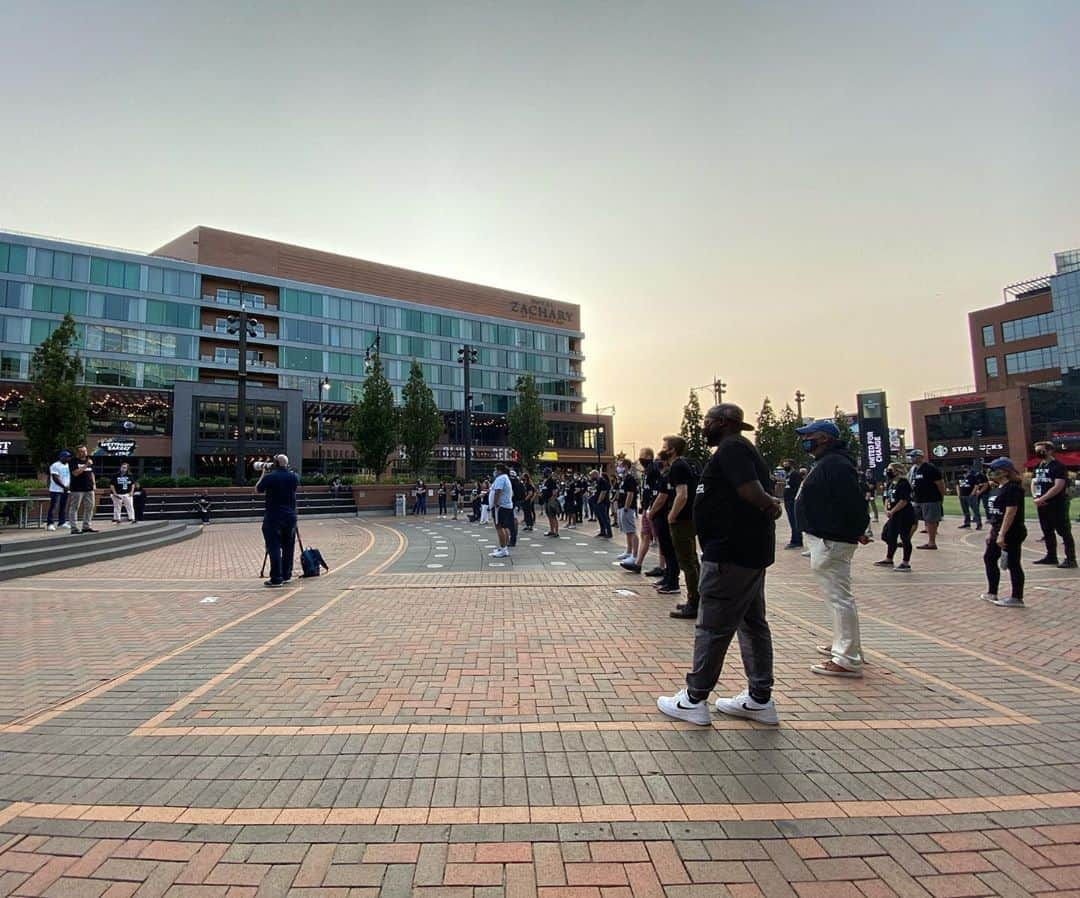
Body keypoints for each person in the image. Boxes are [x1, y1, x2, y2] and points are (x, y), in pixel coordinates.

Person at [656, 403, 781, 726]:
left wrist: (770, 505)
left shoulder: (732, 449)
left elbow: (751, 491)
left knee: (712, 627)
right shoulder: (739, 449)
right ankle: (759, 698)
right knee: (752, 623)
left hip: (729, 555)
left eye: (708, 421)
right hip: (746, 553)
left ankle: (694, 698)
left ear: (723, 423)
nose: (703, 426)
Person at [795, 420, 870, 678]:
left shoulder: (836, 463)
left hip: (832, 539)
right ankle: (846, 645)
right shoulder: (829, 462)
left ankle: (847, 658)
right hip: (826, 537)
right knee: (836, 598)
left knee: (839, 598)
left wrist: (857, 528)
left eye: (810, 436)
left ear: (824, 438)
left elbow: (852, 500)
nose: (806, 440)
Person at [982, 457, 1028, 606]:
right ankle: (992, 592)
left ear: (1004, 472)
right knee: (989, 558)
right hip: (997, 529)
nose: (990, 472)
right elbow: (996, 513)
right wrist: (992, 532)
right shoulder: (997, 488)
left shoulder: (1013, 488)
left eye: (994, 469)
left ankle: (1017, 597)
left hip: (1011, 531)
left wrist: (1002, 534)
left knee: (1013, 563)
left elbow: (1010, 512)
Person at [665, 435, 701, 620]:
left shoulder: (678, 466)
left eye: (665, 446)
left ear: (672, 450)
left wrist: (672, 515)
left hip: (682, 519)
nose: (662, 449)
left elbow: (682, 494)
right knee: (692, 560)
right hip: (689, 517)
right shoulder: (686, 464)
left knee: (686, 561)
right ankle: (697, 599)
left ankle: (694, 602)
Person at [1031, 441, 1076, 568]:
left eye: (1041, 450)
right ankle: (1051, 556)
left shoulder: (1058, 466)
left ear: (1050, 451)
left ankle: (1071, 559)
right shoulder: (1038, 466)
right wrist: (1036, 497)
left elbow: (1058, 486)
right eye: (1036, 450)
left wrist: (1043, 498)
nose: (1038, 453)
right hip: (1042, 504)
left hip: (1057, 504)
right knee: (1047, 531)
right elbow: (1034, 483)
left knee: (1064, 531)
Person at [257, 455, 299, 587]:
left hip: (273, 516)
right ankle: (286, 574)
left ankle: (276, 577)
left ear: (275, 463)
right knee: (288, 546)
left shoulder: (270, 477)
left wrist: (263, 473)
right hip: (290, 516)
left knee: (274, 546)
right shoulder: (294, 477)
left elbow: (258, 489)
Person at [622, 448, 660, 575]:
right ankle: (637, 563)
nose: (640, 458)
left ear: (649, 456)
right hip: (646, 508)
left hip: (653, 508)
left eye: (642, 456)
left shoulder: (654, 470)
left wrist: (651, 508)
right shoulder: (646, 472)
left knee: (659, 538)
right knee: (645, 535)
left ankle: (663, 566)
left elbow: (656, 490)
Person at [876, 463, 915, 570]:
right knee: (887, 535)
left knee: (905, 537)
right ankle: (889, 558)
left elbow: (904, 501)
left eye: (890, 470)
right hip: (893, 514)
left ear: (897, 471)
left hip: (904, 514)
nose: (888, 472)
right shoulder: (891, 483)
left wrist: (893, 511)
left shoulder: (903, 483)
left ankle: (905, 562)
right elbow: (887, 498)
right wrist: (887, 509)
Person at [909, 449, 945, 549]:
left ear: (920, 457)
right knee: (912, 520)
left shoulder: (930, 468)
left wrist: (941, 497)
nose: (912, 458)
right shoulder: (914, 469)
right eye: (911, 456)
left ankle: (932, 542)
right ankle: (906, 540)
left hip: (930, 499)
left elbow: (940, 484)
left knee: (930, 521)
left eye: (914, 456)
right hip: (917, 499)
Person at [67, 446, 97, 534]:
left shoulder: (89, 460)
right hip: (77, 489)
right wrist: (86, 465)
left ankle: (86, 526)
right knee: (74, 507)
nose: (84, 453)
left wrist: (94, 484)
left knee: (90, 507)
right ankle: (74, 528)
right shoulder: (73, 461)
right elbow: (75, 473)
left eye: (85, 451)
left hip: (89, 488)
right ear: (77, 453)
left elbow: (91, 473)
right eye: (81, 451)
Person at [615, 459, 640, 565]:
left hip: (627, 508)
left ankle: (634, 554)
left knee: (631, 530)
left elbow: (630, 494)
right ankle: (628, 551)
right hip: (621, 506)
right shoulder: (623, 479)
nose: (618, 467)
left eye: (620, 465)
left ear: (625, 466)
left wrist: (626, 506)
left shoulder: (630, 479)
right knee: (627, 531)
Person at [488, 463, 514, 559]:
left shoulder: (501, 478)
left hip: (500, 507)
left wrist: (495, 503)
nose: (494, 471)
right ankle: (503, 547)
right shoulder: (504, 478)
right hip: (505, 506)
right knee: (504, 527)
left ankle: (503, 549)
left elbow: (497, 491)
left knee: (499, 527)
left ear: (499, 470)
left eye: (495, 469)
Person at [46, 449, 72, 531]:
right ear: (61, 457)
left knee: (63, 506)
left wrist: (69, 486)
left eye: (69, 457)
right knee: (54, 506)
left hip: (66, 489)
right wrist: (63, 486)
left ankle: (62, 522)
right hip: (56, 490)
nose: (68, 458)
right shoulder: (55, 465)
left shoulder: (69, 465)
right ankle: (50, 523)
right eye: (66, 457)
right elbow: (55, 478)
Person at [780, 459, 803, 549]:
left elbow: (796, 486)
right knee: (792, 520)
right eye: (784, 465)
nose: (784, 466)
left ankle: (796, 540)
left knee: (794, 520)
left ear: (792, 465)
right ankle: (796, 539)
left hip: (792, 500)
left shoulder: (795, 474)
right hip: (788, 500)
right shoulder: (788, 475)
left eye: (786, 464)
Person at [957, 465, 987, 530]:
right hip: (962, 495)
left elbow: (976, 485)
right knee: (965, 511)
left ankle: (979, 524)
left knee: (975, 510)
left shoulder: (972, 477)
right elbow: (957, 485)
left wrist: (972, 494)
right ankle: (967, 523)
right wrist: (959, 494)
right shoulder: (960, 477)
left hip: (970, 496)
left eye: (965, 469)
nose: (964, 470)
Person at [592, 469, 612, 538]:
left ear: (595, 474)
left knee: (604, 518)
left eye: (592, 475)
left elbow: (603, 492)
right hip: (596, 502)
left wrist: (599, 501)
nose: (591, 477)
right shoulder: (597, 481)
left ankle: (609, 533)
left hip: (602, 503)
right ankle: (602, 531)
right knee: (600, 518)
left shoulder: (602, 481)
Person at [540, 467, 560, 537]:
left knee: (553, 516)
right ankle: (552, 530)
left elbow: (554, 491)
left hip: (550, 501)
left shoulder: (552, 481)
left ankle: (556, 532)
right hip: (546, 500)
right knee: (549, 516)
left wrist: (552, 499)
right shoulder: (546, 481)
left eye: (545, 472)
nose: (544, 474)